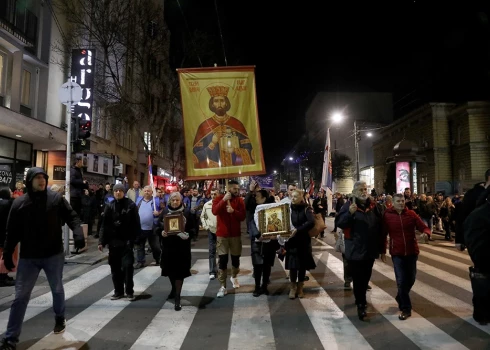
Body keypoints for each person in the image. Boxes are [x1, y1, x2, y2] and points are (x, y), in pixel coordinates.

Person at [1, 168, 85, 349]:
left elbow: (72, 216)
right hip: (29, 257)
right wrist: (7, 254)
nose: (42, 181)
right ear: (29, 181)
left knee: (56, 289)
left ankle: (59, 317)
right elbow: (12, 232)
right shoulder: (19, 204)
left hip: (53, 255)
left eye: (43, 177)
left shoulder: (55, 199)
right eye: (37, 178)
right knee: (20, 297)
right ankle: (10, 338)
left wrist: (78, 233)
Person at [337, 181, 384, 321]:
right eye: (360, 189)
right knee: (358, 279)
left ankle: (361, 297)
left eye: (365, 189)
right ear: (354, 191)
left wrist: (382, 248)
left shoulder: (374, 206)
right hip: (355, 249)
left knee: (366, 277)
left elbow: (381, 226)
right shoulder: (349, 206)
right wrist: (350, 214)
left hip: (370, 249)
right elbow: (340, 223)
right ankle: (361, 304)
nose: (364, 191)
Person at [381, 194, 431, 320]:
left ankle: (400, 296)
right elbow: (383, 234)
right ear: (392, 202)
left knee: (411, 278)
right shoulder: (387, 215)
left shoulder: (411, 214)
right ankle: (406, 308)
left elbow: (423, 227)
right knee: (401, 281)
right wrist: (382, 251)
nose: (401, 203)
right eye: (398, 201)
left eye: (403, 201)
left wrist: (426, 234)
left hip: (411, 252)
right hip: (397, 253)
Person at [192, 85, 255, 169]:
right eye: (216, 101)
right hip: (213, 170)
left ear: (226, 103)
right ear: (212, 104)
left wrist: (236, 150)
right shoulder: (204, 126)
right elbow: (195, 156)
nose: (219, 104)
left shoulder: (236, 123)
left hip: (234, 168)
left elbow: (250, 151)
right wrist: (212, 143)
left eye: (222, 100)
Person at [98, 183, 140, 301]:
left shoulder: (131, 205)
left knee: (127, 267)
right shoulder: (109, 206)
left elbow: (136, 223)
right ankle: (118, 292)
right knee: (115, 269)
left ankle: (129, 292)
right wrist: (101, 241)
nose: (118, 192)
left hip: (126, 242)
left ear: (124, 192)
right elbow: (104, 225)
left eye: (120, 190)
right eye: (116, 191)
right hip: (113, 243)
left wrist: (135, 239)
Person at [157, 192, 192, 311]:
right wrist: (161, 232)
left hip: (182, 248)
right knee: (170, 271)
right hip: (168, 247)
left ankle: (177, 297)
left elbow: (193, 227)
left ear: (181, 201)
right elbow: (157, 225)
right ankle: (173, 289)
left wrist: (188, 234)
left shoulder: (186, 212)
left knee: (179, 272)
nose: (175, 202)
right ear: (170, 201)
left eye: (177, 200)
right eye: (173, 200)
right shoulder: (165, 212)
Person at [212, 180, 246, 298]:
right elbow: (215, 211)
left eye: (238, 188)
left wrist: (234, 211)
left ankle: (234, 276)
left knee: (236, 259)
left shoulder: (240, 200)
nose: (237, 191)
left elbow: (242, 216)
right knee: (223, 260)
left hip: (235, 235)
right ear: (228, 188)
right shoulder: (218, 198)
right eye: (234, 189)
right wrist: (223, 200)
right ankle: (222, 286)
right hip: (222, 235)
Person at [463, 192, 490, 325]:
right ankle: (481, 315)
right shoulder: (479, 214)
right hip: (485, 260)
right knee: (483, 292)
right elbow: (473, 241)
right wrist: (479, 259)